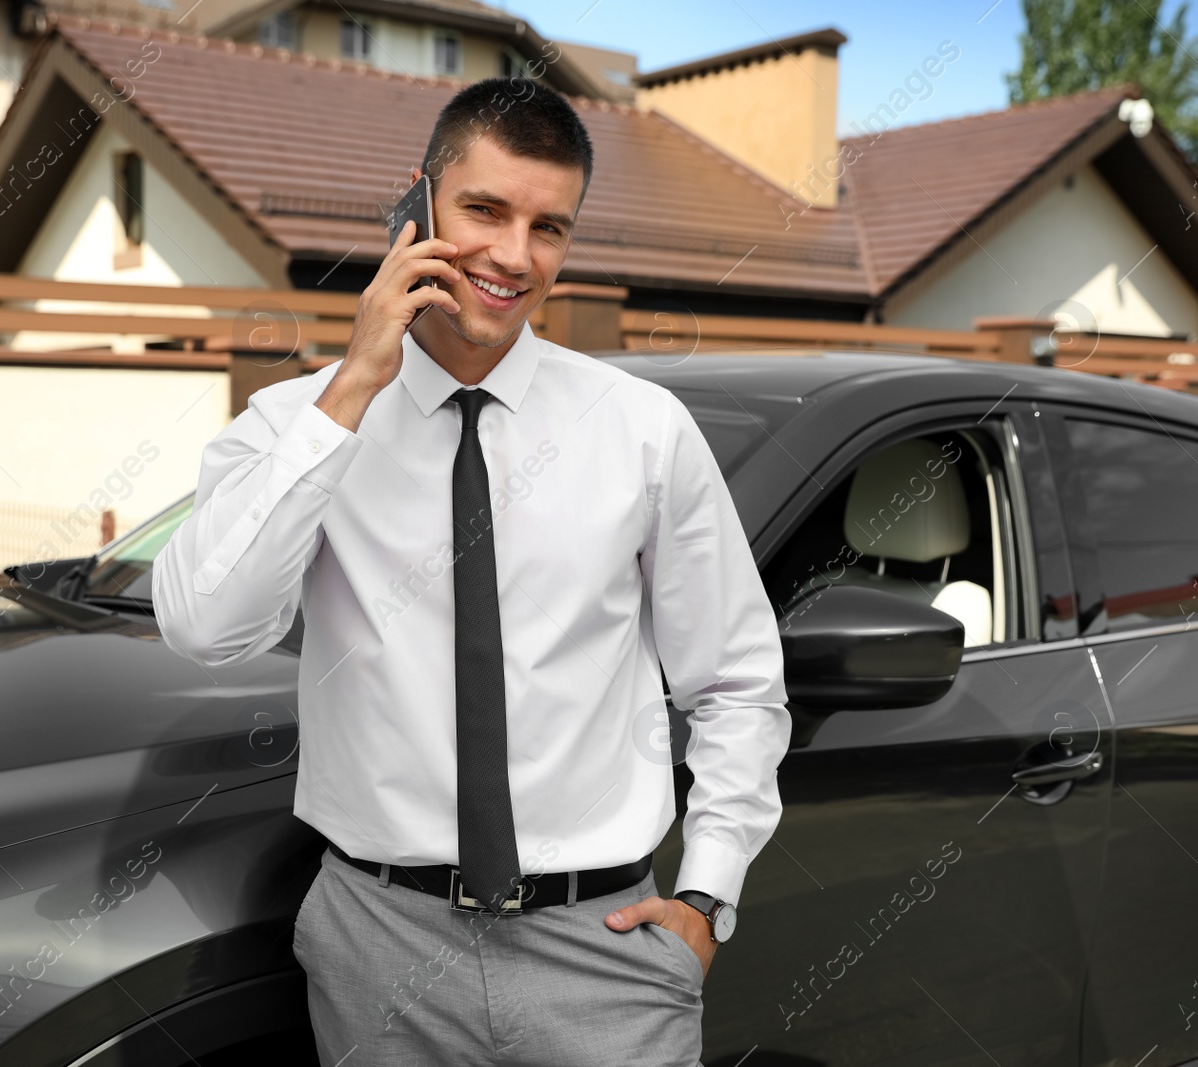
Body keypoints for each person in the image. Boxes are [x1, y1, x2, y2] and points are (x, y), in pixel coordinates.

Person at [151, 76, 790, 1067]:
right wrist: (356, 382)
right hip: (379, 946)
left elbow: (738, 681)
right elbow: (204, 623)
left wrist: (706, 896)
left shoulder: (641, 431)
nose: (512, 254)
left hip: (606, 952)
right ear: (419, 203)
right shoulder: (298, 424)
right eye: (484, 209)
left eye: (548, 227)